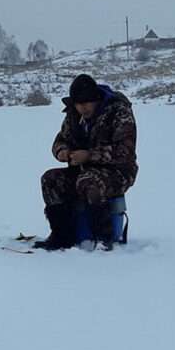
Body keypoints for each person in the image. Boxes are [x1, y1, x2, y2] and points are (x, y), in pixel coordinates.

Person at [34, 74, 138, 251]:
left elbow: (125, 151)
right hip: (83, 169)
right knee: (50, 179)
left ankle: (103, 237)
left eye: (87, 102)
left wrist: (89, 155)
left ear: (96, 99)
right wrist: (62, 152)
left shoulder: (119, 112)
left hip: (118, 172)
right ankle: (62, 236)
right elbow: (60, 141)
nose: (83, 107)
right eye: (78, 103)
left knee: (88, 181)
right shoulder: (74, 115)